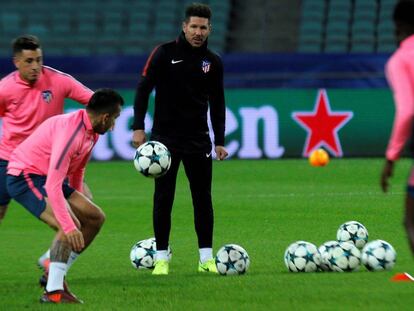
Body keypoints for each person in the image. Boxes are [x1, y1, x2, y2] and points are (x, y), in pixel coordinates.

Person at [132, 3, 228, 275]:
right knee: (163, 198)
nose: (198, 32)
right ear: (184, 27)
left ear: (210, 29)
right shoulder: (164, 53)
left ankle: (206, 259)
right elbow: (143, 89)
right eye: (194, 27)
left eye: (203, 27)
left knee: (202, 199)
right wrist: (138, 126)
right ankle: (161, 258)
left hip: (198, 140)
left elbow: (218, 102)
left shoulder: (213, 61)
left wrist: (218, 140)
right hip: (165, 141)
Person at [7, 89, 124, 303]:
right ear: (105, 117)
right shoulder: (71, 132)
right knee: (68, 226)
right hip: (26, 176)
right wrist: (70, 226)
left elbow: (77, 171)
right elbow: (53, 185)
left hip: (48, 177)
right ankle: (54, 292)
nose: (115, 125)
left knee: (95, 218)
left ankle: (53, 272)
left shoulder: (93, 132)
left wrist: (81, 202)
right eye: (115, 119)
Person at [0, 34, 94, 274]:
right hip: (8, 160)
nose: (35, 66)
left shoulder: (58, 81)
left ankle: (52, 264)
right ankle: (55, 275)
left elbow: (94, 101)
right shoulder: (5, 89)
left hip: (48, 163)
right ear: (16, 62)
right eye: (29, 61)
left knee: (86, 210)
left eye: (39, 60)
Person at [381, 0, 414, 254]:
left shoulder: (400, 60)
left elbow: (407, 111)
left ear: (398, 26)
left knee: (411, 222)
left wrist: (392, 158)